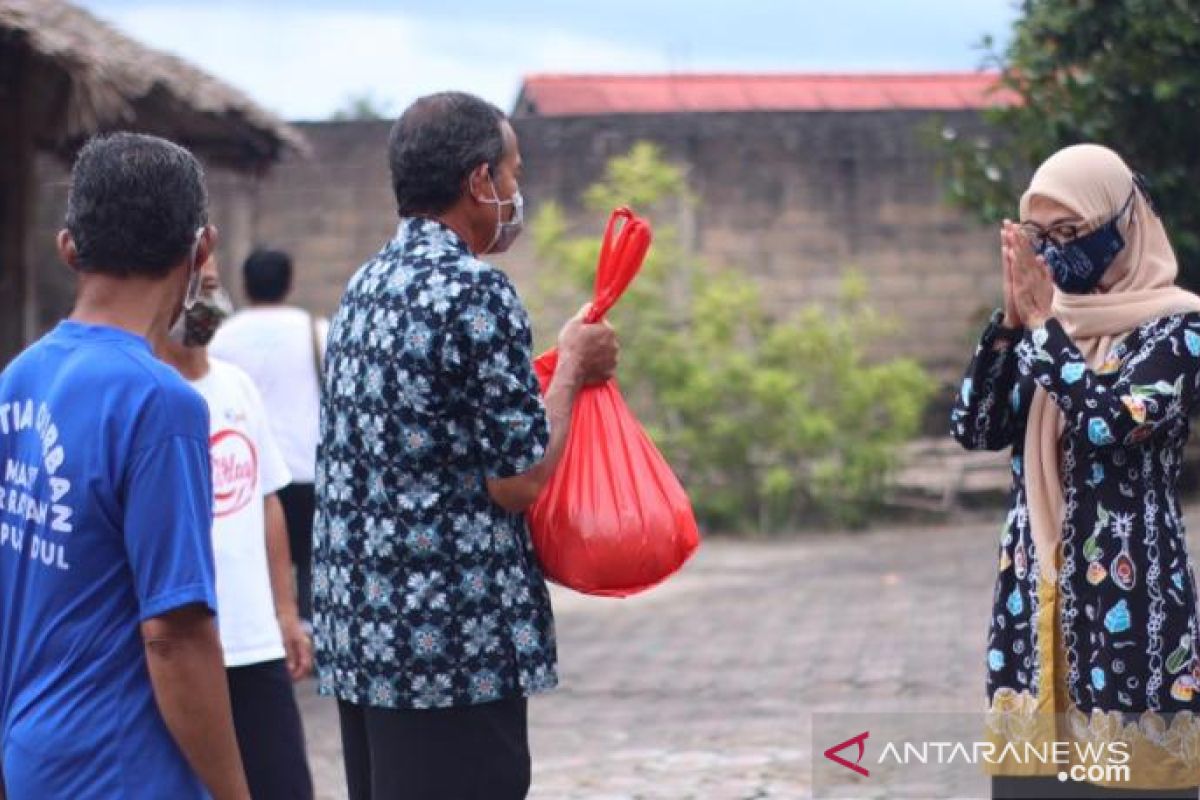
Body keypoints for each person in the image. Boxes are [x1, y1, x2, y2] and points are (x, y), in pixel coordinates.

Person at [312, 91, 618, 800]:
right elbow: (517, 481)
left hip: (367, 638)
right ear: (479, 182)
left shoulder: (367, 283)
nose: (517, 193)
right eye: (512, 174)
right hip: (451, 646)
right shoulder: (473, 290)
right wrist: (572, 366)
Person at [0, 132, 249, 799]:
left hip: (33, 753)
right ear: (202, 249)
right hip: (123, 768)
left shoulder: (21, 379)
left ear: (69, 246)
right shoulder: (160, 403)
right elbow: (174, 634)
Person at [951, 144, 1200, 799]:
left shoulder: (1178, 328)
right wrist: (1009, 325)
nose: (1057, 253)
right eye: (1042, 238)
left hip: (1132, 597)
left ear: (1125, 224)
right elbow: (975, 427)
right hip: (1034, 589)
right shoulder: (1043, 331)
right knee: (1036, 785)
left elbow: (1111, 423)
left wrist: (1039, 336)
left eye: (1073, 234)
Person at [157, 253, 316, 800]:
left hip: (255, 645)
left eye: (213, 286)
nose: (206, 300)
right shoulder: (149, 394)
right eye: (194, 287)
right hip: (187, 645)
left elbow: (266, 502)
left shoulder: (237, 387)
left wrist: (287, 612)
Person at [210, 248, 327, 624]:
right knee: (312, 557)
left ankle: (268, 626)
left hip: (250, 470)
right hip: (307, 464)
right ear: (290, 283)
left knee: (259, 556)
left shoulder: (222, 337)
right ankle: (311, 633)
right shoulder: (316, 331)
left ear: (244, 285)